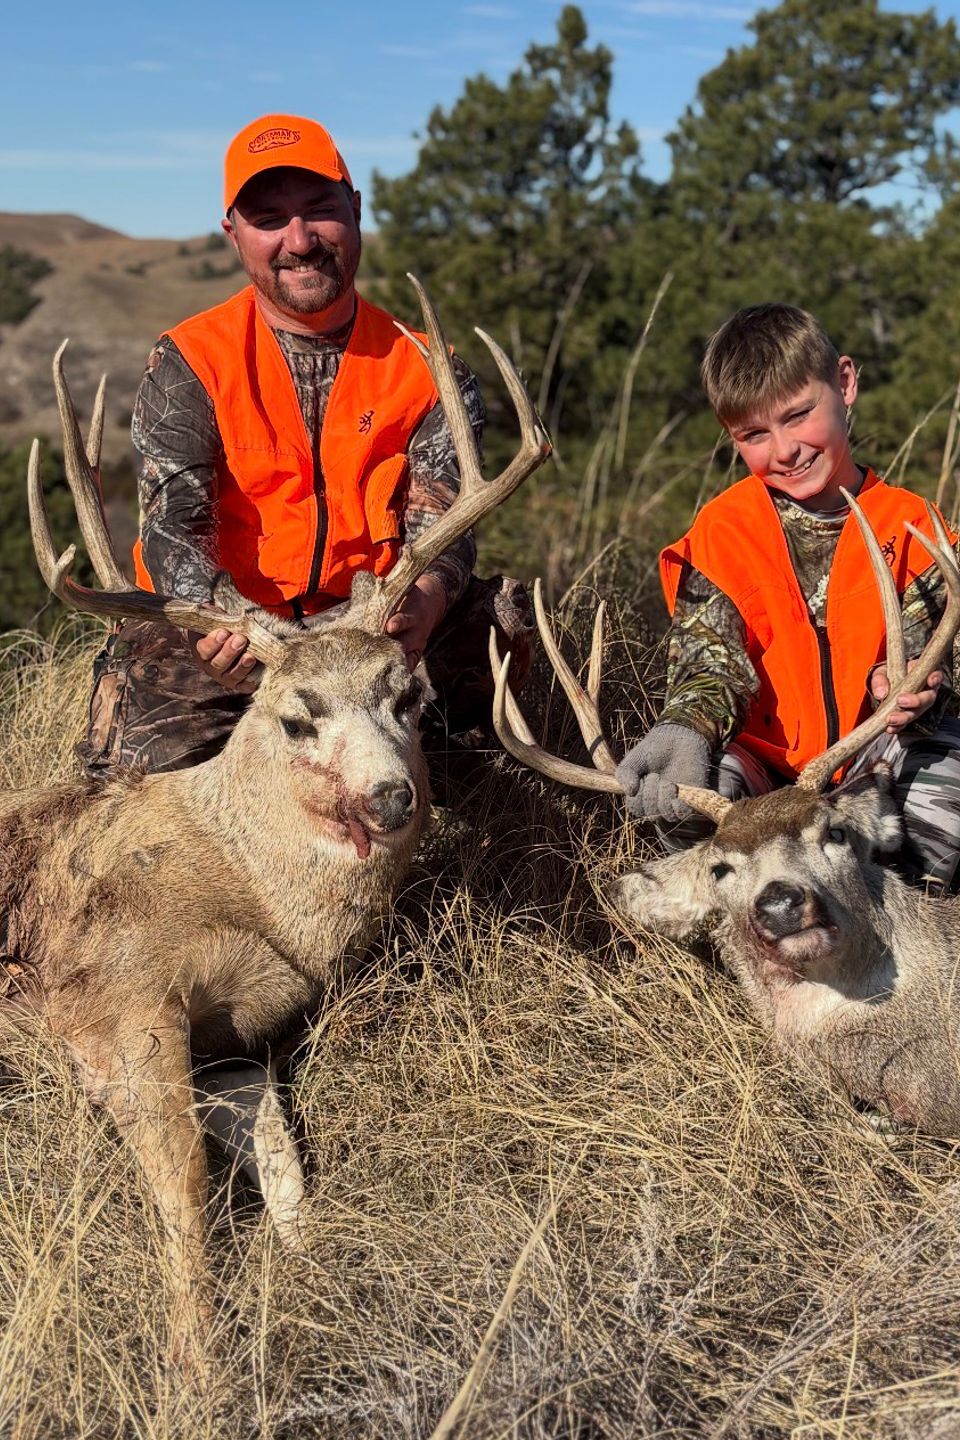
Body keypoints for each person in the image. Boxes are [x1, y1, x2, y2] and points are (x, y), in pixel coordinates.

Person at [80, 112, 533, 777]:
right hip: (232, 639)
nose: (299, 241)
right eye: (269, 219)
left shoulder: (430, 369)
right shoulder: (190, 363)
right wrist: (214, 621)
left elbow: (445, 522)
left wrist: (427, 596)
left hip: (370, 632)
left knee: (501, 639)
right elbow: (173, 526)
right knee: (141, 796)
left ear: (355, 210)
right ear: (234, 234)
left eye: (319, 209)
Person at [615, 302, 960, 891]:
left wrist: (913, 685)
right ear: (731, 436)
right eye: (754, 434)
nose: (784, 450)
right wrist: (686, 727)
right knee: (690, 799)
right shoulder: (722, 533)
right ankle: (762, 928)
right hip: (766, 774)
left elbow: (931, 647)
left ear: (844, 383)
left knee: (945, 788)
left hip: (873, 758)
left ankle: (892, 922)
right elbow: (710, 665)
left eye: (799, 415)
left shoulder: (913, 527)